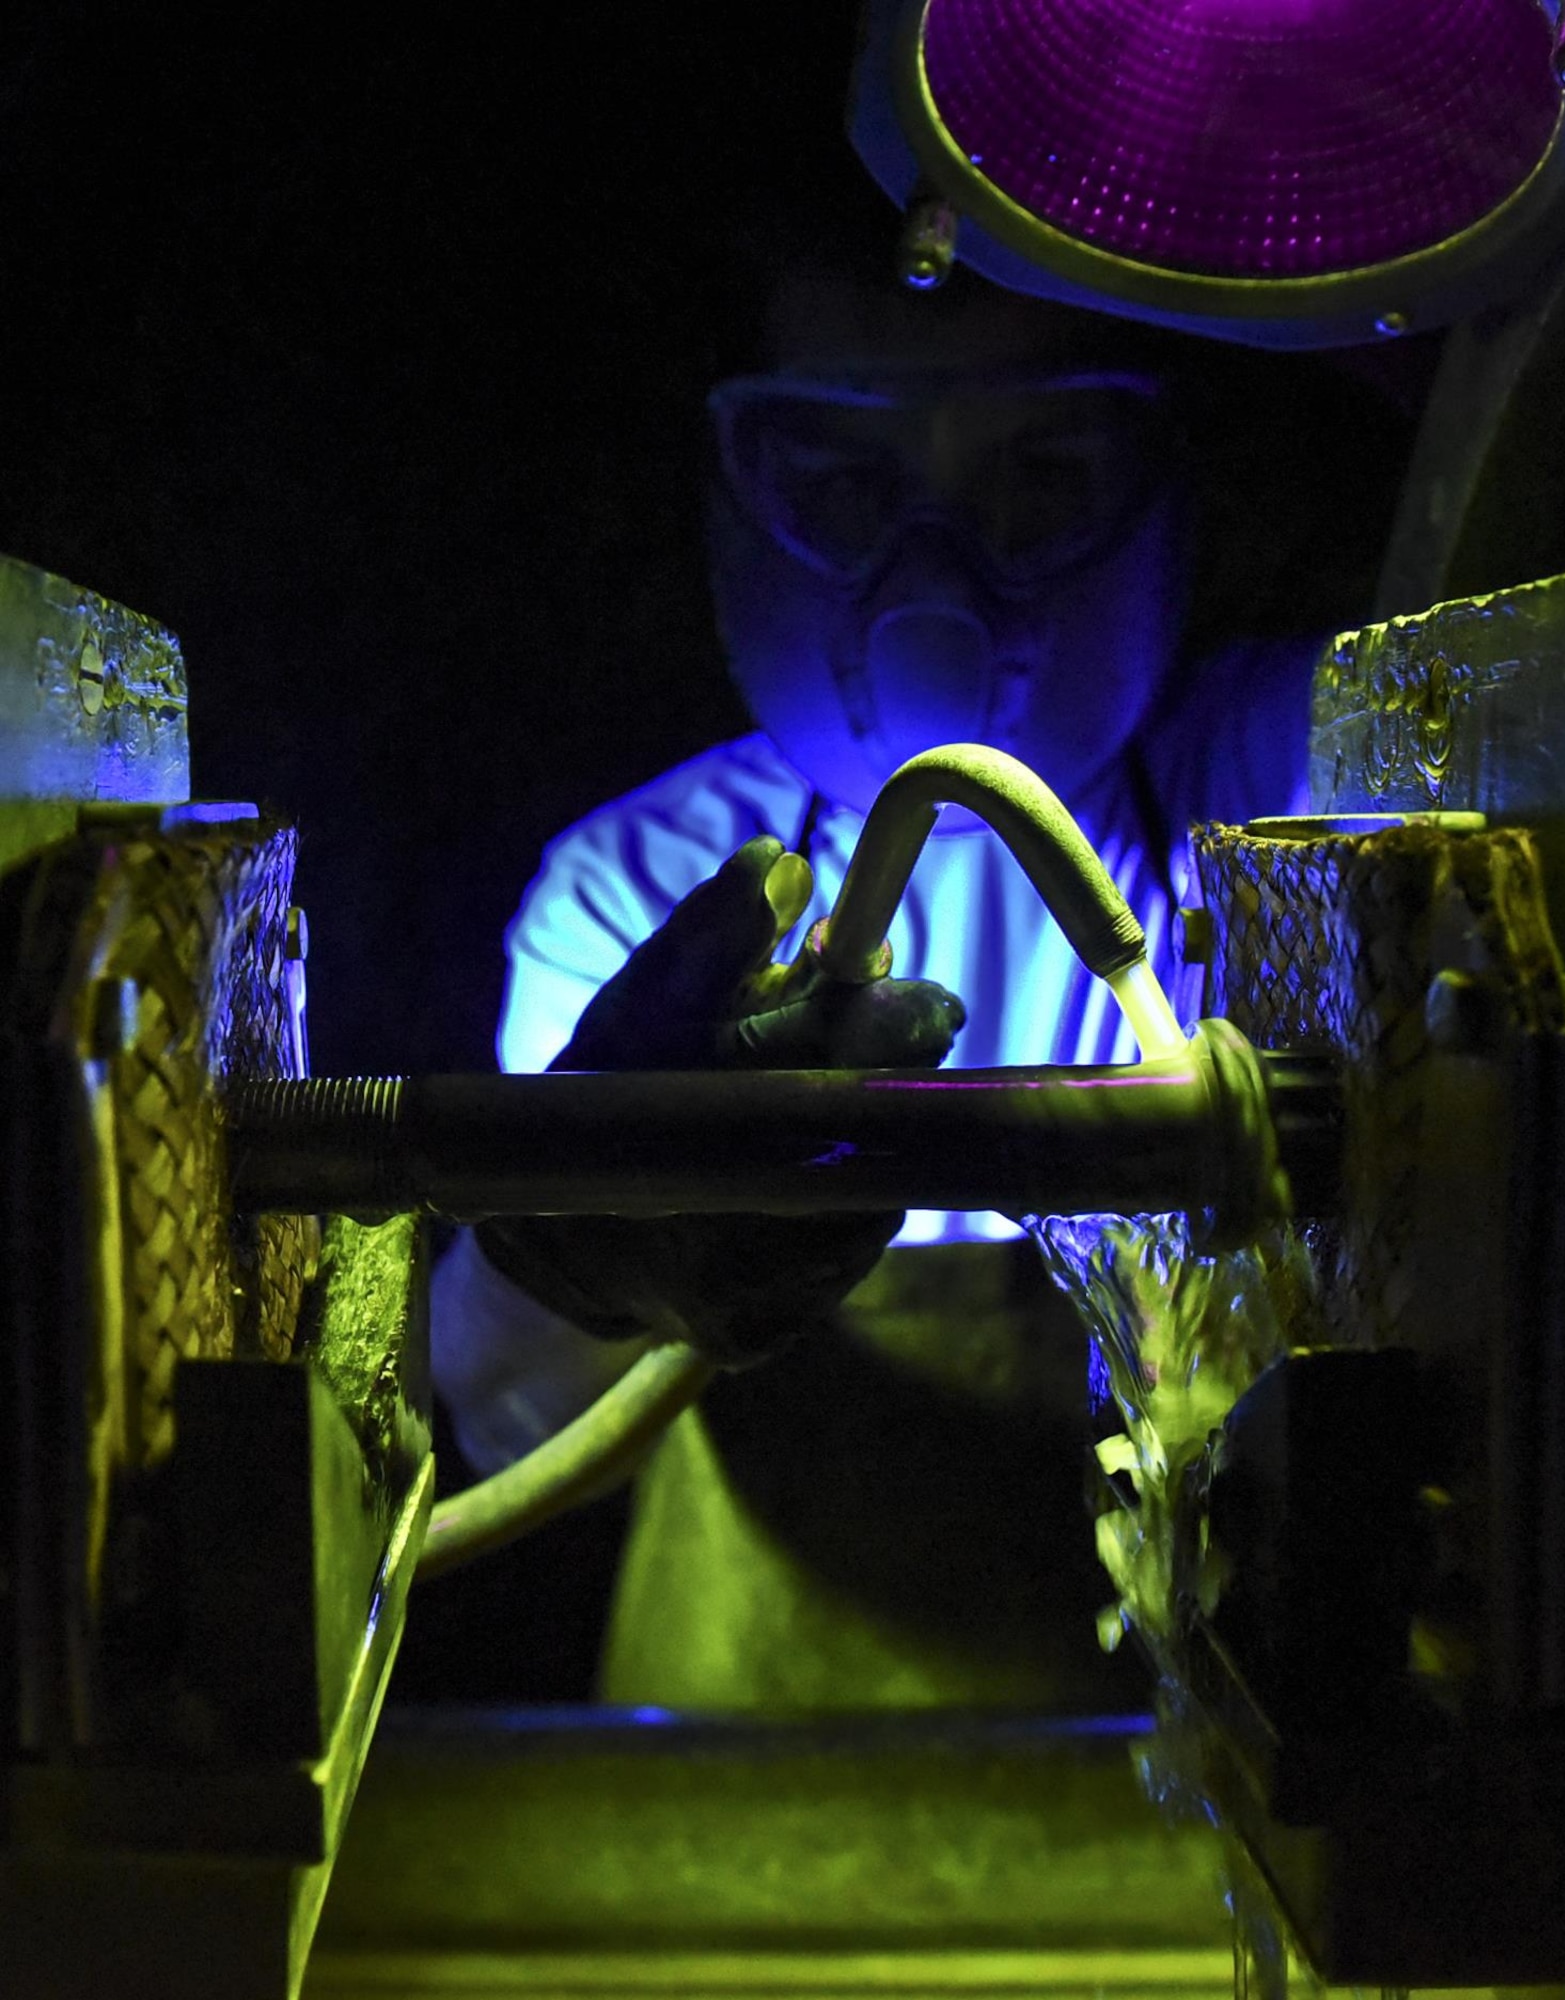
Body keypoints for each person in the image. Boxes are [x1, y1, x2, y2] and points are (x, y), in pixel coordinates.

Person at [430, 191, 1404, 1712]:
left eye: (1040, 479)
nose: (934, 575)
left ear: (1164, 484)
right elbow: (503, 1422)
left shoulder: (1289, 797)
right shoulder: (652, 897)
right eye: (840, 484)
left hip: (1193, 1796)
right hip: (742, 1816)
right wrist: (585, 1244)